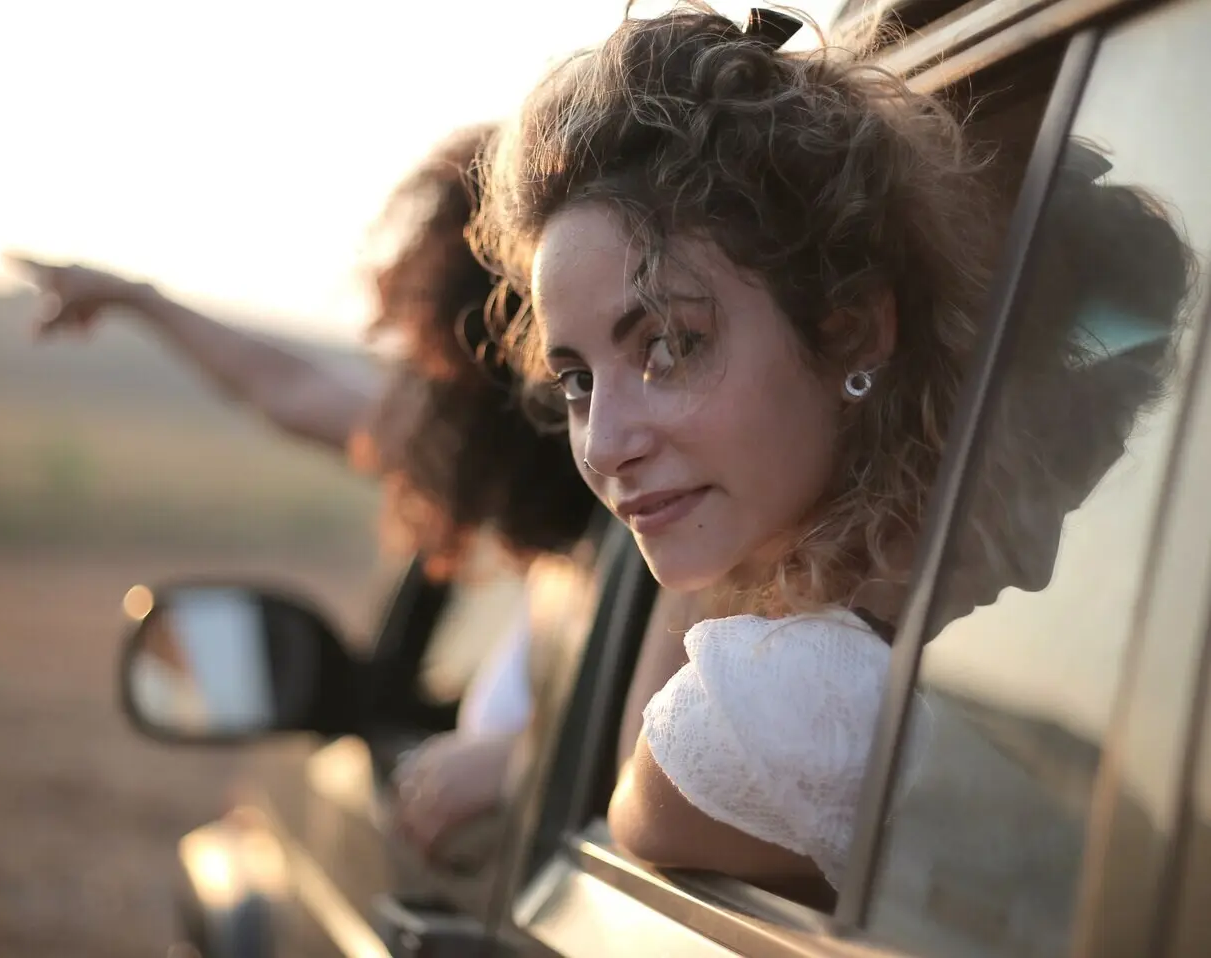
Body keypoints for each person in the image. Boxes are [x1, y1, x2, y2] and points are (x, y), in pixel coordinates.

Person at [473, 4, 1195, 896]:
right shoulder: (942, 641)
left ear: (852, 334)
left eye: (666, 346)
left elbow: (641, 797)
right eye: (578, 379)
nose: (607, 444)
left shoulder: (786, 707)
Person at [8, 124, 597, 859]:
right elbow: (289, 388)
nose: (400, 393)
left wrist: (520, 766)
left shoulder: (641, 569)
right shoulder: (582, 565)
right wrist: (141, 301)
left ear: (492, 380)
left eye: (425, 365)